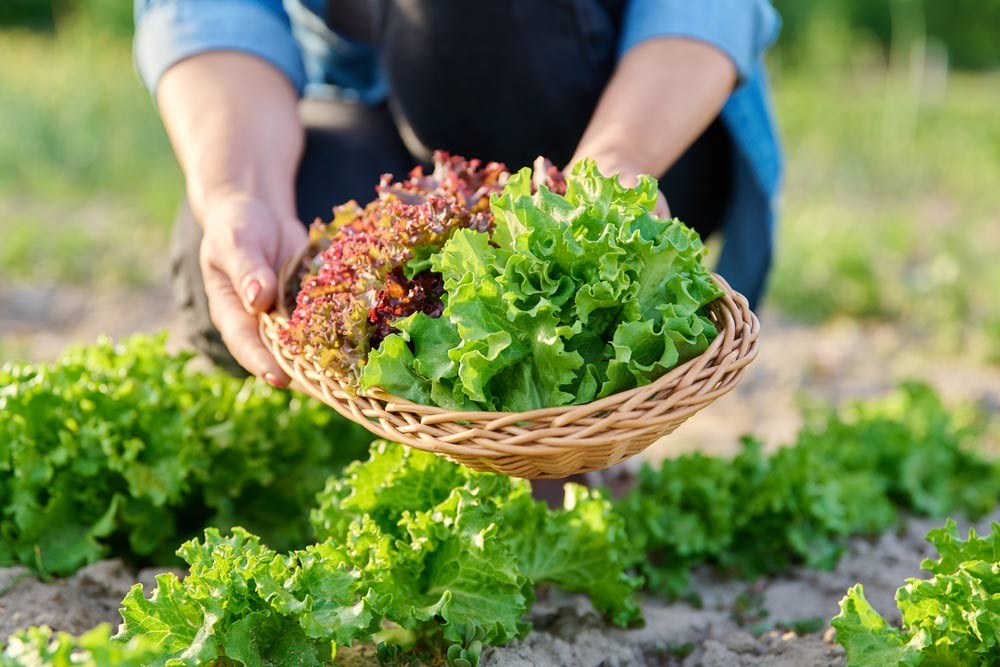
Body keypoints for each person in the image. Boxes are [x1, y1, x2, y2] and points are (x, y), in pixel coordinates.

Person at [134, 0, 783, 390]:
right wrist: (237, 189)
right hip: (374, 113)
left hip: (632, 115)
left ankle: (550, 408)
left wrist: (617, 164)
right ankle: (431, 427)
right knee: (248, 260)